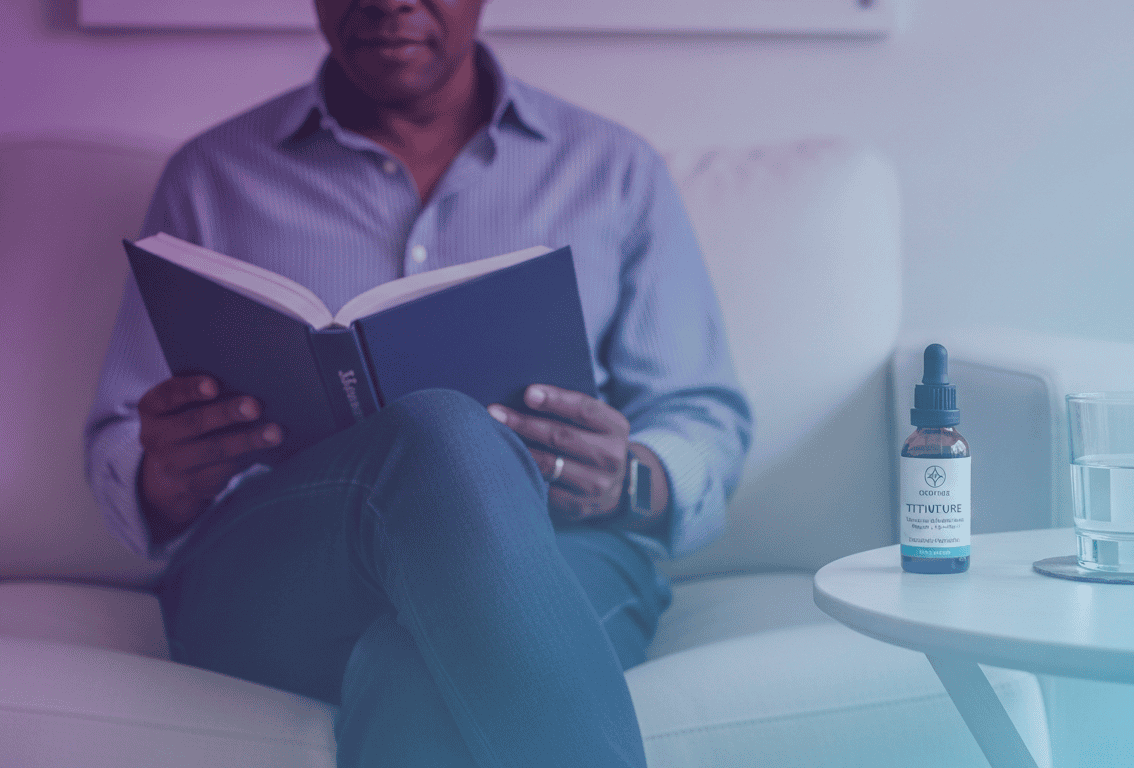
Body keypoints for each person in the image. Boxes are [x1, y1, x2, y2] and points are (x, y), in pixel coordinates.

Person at [83, 0, 751, 765]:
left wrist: (629, 479)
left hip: (563, 544)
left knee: (416, 669)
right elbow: (120, 432)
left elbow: (702, 413)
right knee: (440, 430)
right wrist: (162, 475)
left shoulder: (614, 170)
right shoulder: (213, 176)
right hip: (279, 569)